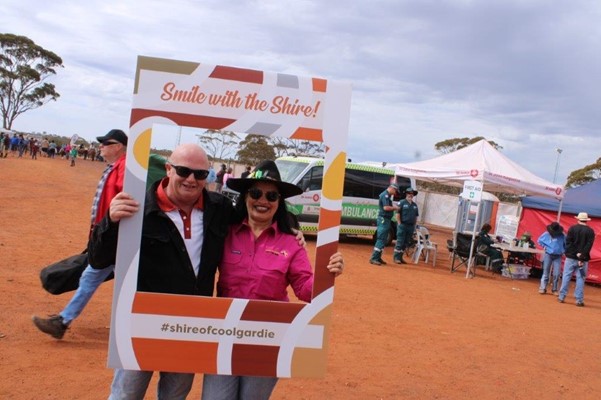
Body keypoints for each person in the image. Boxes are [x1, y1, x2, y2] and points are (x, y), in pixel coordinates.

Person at [87, 147, 325, 400]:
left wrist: (295, 233)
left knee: (175, 395)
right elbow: (98, 258)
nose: (191, 179)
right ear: (169, 169)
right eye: (183, 171)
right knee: (126, 394)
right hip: (145, 321)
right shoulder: (139, 209)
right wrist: (110, 222)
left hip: (202, 327)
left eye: (200, 174)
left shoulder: (217, 209)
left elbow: (262, 222)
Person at [201, 160, 344, 400]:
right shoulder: (224, 232)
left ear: (279, 203)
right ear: (246, 197)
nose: (263, 201)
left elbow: (305, 290)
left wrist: (327, 273)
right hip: (225, 333)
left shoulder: (291, 243)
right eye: (256, 193)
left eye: (272, 196)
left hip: (268, 337)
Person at [32, 129, 128, 339]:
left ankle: (63, 321)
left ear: (118, 146)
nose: (101, 146)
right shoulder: (115, 167)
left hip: (117, 237)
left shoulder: (125, 167)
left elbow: (126, 198)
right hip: (110, 236)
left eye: (105, 143)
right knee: (96, 277)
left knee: (92, 275)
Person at [558, 212, 595, 306]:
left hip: (571, 257)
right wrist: (581, 255)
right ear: (586, 220)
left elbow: (569, 243)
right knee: (580, 278)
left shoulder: (572, 229)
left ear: (578, 219)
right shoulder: (590, 231)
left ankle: (562, 296)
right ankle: (579, 300)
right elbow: (589, 245)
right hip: (583, 259)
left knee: (566, 276)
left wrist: (576, 253)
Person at [369, 183, 400, 265]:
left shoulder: (387, 195)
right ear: (392, 188)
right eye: (395, 191)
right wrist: (395, 208)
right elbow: (385, 207)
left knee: (383, 240)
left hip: (386, 220)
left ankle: (378, 257)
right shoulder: (385, 195)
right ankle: (374, 258)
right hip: (383, 220)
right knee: (381, 239)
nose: (395, 193)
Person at [537, 222, 566, 295]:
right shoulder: (546, 234)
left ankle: (555, 289)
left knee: (557, 273)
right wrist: (544, 247)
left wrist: (564, 251)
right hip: (548, 254)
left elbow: (566, 244)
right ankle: (543, 288)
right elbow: (539, 241)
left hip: (558, 256)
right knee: (546, 272)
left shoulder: (562, 235)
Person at [393, 187, 419, 264]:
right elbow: (397, 214)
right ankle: (396, 258)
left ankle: (400, 257)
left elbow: (416, 216)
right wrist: (399, 224)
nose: (410, 195)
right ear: (406, 194)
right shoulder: (401, 202)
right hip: (403, 225)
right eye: (409, 193)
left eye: (412, 194)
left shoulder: (415, 205)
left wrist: (414, 226)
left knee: (406, 243)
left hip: (410, 227)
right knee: (400, 242)